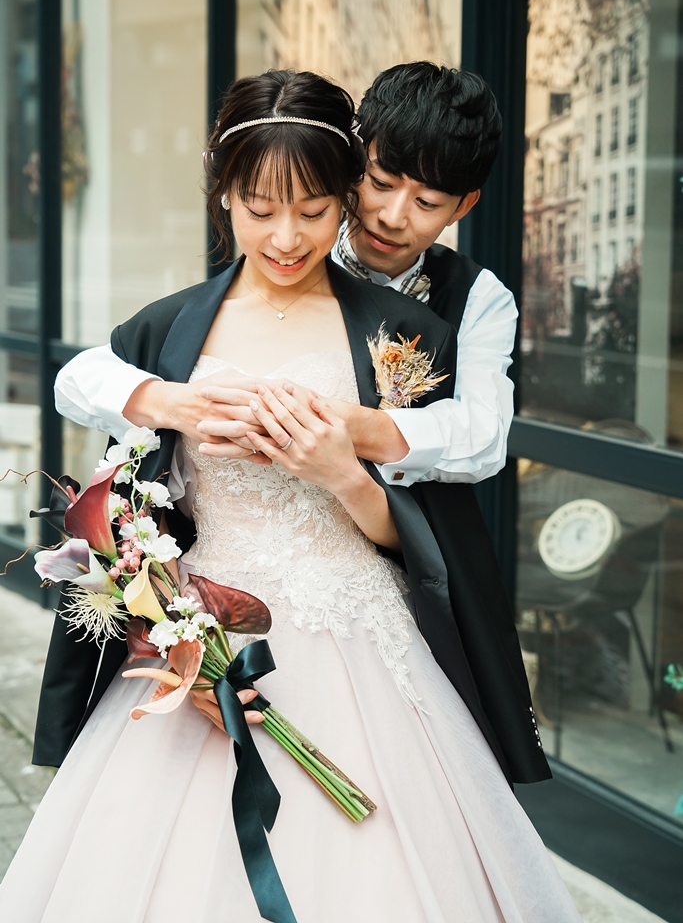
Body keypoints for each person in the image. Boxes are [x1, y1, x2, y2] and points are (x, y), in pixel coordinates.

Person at [0, 69, 580, 922]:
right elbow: (86, 382)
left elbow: (475, 445)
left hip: (358, 627)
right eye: (262, 208)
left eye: (311, 211)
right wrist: (172, 403)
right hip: (205, 622)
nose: (288, 234)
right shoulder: (181, 323)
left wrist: (343, 448)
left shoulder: (423, 326)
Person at [54, 61, 515, 489]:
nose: (392, 217)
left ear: (464, 206)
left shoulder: (478, 299)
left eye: (427, 203)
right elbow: (81, 379)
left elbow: (483, 438)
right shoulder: (261, 271)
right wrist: (175, 404)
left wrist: (337, 426)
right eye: (380, 184)